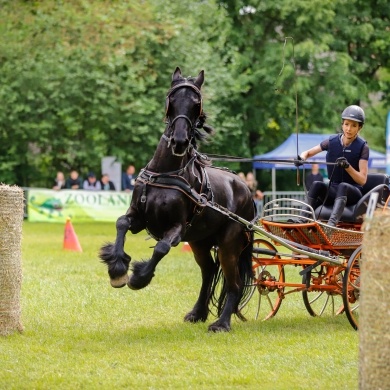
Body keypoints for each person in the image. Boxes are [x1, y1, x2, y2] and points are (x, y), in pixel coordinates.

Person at [298, 105, 369, 227]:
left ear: (359, 128)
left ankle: (331, 225)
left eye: (354, 125)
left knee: (343, 186)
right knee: (317, 185)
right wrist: (301, 158)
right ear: (342, 124)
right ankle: (300, 221)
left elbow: (362, 180)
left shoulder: (363, 147)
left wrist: (348, 167)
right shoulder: (331, 142)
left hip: (353, 192)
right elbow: (308, 153)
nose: (349, 129)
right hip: (334, 190)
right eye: (346, 124)